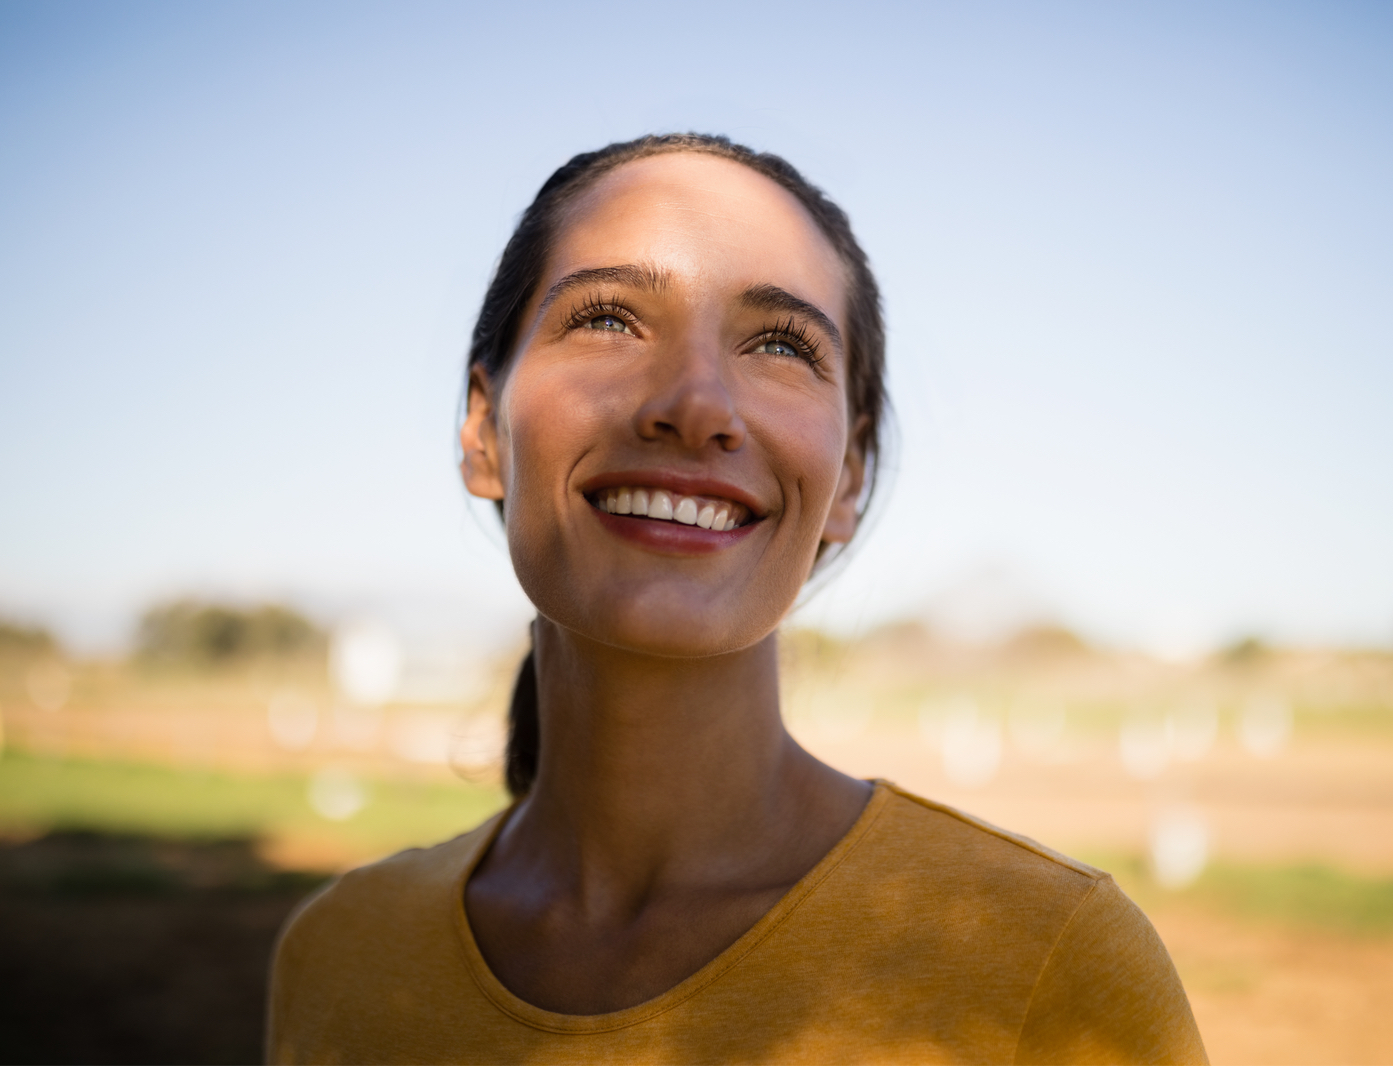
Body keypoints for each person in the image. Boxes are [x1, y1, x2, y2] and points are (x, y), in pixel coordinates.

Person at [267, 133, 1207, 1065]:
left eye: (780, 343)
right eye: (607, 318)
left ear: (849, 475)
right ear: (482, 428)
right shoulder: (341, 954)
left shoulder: (1050, 966)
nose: (696, 401)